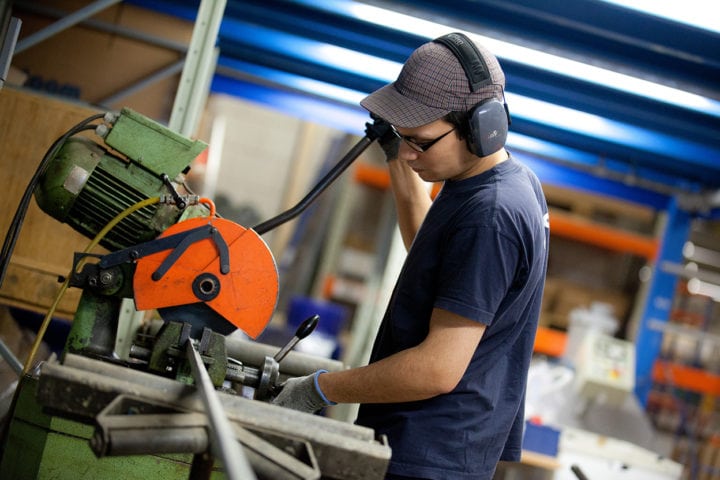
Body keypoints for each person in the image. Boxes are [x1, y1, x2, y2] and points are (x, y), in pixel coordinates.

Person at [273, 32, 550, 480]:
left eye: (419, 141)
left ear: (484, 127)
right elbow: (436, 256)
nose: (408, 151)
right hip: (428, 448)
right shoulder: (497, 184)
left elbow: (437, 369)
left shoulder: (492, 214)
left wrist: (320, 388)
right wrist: (397, 158)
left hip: (429, 456)